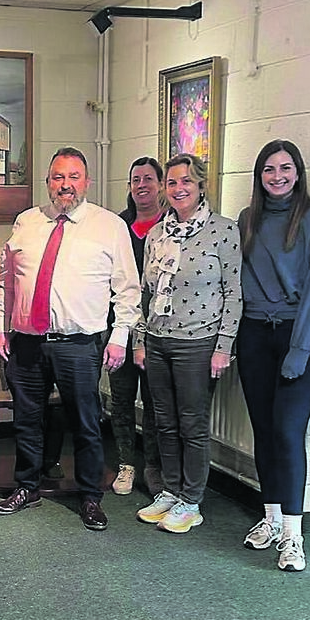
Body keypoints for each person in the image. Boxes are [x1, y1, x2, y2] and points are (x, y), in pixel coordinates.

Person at [0, 147, 140, 531]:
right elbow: (6, 280)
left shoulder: (108, 226)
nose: (66, 185)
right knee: (27, 419)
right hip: (27, 340)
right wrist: (0, 326)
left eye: (74, 177)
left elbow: (127, 289)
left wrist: (119, 337)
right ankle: (27, 486)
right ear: (48, 182)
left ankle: (90, 495)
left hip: (79, 343)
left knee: (86, 422)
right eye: (58, 177)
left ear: (86, 182)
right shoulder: (27, 221)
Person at [237, 139, 310, 572]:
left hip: (304, 336)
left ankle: (294, 537)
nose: (277, 177)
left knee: (287, 430)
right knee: (264, 428)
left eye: (285, 168)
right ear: (259, 177)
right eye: (268, 170)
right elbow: (239, 278)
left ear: (298, 172)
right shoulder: (248, 220)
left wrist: (300, 350)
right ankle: (272, 518)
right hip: (256, 334)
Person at [133, 154, 241, 532]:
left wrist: (224, 346)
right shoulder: (157, 235)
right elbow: (145, 293)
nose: (178, 189)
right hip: (158, 340)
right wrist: (139, 341)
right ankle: (171, 490)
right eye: (173, 182)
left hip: (199, 342)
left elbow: (234, 293)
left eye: (186, 182)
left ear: (200, 186)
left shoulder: (223, 231)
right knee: (163, 422)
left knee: (192, 425)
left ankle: (191, 500)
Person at [110, 157, 166, 496]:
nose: (141, 185)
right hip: (122, 326)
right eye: (135, 179)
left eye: (148, 178)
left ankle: (153, 468)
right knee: (121, 397)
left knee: (155, 401)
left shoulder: (171, 226)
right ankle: (125, 464)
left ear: (159, 184)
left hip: (160, 330)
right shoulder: (119, 226)